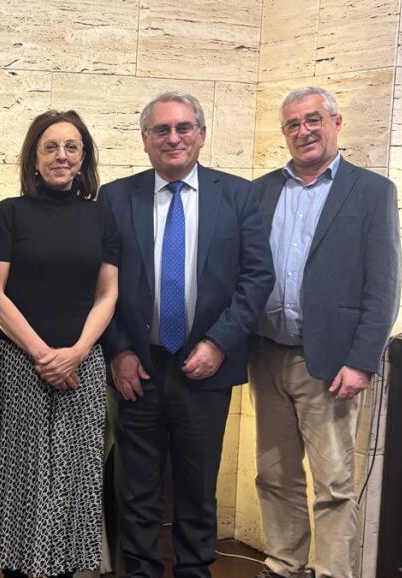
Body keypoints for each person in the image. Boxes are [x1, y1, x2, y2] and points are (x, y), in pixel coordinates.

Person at [99, 91, 274, 577]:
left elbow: (257, 277)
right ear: (145, 139)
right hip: (138, 367)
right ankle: (139, 571)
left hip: (207, 365)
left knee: (197, 487)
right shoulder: (115, 197)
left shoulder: (238, 195)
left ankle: (195, 570)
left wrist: (219, 343)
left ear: (201, 134)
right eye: (161, 130)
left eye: (183, 128)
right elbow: (100, 284)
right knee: (137, 487)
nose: (173, 138)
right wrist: (119, 351)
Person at [249, 86, 400, 578]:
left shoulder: (372, 191)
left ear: (336, 122)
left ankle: (335, 572)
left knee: (334, 483)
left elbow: (383, 285)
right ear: (284, 133)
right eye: (293, 124)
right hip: (266, 354)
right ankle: (284, 563)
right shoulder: (261, 190)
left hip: (332, 363)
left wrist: (361, 360)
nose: (304, 131)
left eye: (313, 119)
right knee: (274, 474)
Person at [0, 110, 119, 577]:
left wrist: (76, 353)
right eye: (50, 147)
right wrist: (42, 354)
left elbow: (107, 293)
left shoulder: (100, 215)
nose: (61, 156)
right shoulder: (10, 212)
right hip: (17, 365)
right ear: (34, 158)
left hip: (82, 367)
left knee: (72, 487)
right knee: (20, 487)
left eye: (71, 147)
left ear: (83, 157)